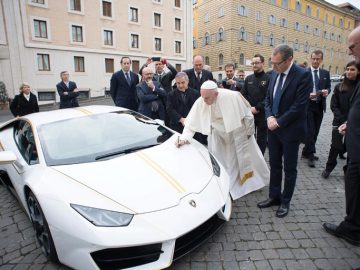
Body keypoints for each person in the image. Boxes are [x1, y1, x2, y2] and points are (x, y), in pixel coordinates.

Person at [175, 80, 269, 200]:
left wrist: (249, 133)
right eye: (202, 97)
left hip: (236, 133)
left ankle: (245, 186)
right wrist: (184, 138)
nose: (204, 101)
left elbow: (248, 115)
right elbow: (190, 123)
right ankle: (224, 186)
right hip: (217, 135)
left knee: (238, 162)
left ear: (216, 94)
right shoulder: (202, 100)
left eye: (207, 98)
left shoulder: (233, 96)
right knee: (220, 162)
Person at [257, 45, 312, 218]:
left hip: (290, 131)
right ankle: (274, 196)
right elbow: (267, 99)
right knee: (274, 164)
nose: (273, 67)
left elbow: (299, 106)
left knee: (289, 168)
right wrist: (269, 117)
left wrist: (278, 122)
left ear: (289, 60)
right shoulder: (273, 73)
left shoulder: (303, 75)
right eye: (272, 63)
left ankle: (285, 201)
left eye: (277, 63)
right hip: (273, 129)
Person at [323, 25, 360, 246]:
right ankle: (352, 226)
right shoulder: (344, 87)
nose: (349, 51)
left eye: (352, 46)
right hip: (353, 142)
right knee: (353, 185)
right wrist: (349, 122)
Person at [322, 61, 360, 179]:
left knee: (351, 147)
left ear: (358, 71)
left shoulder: (358, 88)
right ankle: (329, 168)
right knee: (335, 146)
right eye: (347, 69)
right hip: (339, 122)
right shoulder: (339, 86)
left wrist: (350, 121)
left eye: (352, 69)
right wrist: (342, 119)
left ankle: (347, 170)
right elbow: (334, 105)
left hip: (354, 124)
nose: (349, 72)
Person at [302, 50, 331, 167]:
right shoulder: (304, 72)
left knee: (316, 131)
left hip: (319, 106)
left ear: (321, 60)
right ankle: (311, 155)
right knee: (310, 131)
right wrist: (307, 94)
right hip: (307, 106)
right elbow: (299, 89)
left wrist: (326, 92)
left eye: (318, 59)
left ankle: (305, 151)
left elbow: (329, 87)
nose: (315, 61)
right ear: (310, 59)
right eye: (313, 59)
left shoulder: (325, 73)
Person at [242, 54, 270, 155]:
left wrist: (258, 107)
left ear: (262, 63)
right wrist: (249, 107)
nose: (254, 65)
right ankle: (251, 157)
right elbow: (243, 95)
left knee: (261, 139)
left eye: (257, 63)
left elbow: (268, 97)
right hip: (249, 114)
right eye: (253, 63)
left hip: (262, 114)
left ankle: (260, 158)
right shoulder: (248, 78)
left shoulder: (268, 78)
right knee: (250, 137)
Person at [166, 72, 205, 144]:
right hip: (177, 127)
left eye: (183, 82)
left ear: (188, 81)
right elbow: (169, 109)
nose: (180, 85)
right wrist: (180, 119)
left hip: (193, 128)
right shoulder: (171, 94)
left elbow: (199, 109)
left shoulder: (195, 93)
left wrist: (190, 120)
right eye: (178, 83)